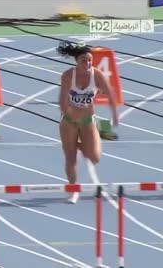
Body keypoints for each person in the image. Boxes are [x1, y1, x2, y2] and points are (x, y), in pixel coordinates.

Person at [57, 41, 119, 204]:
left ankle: (77, 145)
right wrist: (71, 113)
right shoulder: (67, 75)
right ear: (76, 61)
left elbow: (111, 94)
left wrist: (115, 114)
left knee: (94, 157)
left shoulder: (97, 75)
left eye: (90, 60)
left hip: (87, 121)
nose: (88, 63)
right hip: (69, 122)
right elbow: (62, 102)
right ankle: (73, 189)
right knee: (70, 158)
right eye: (84, 60)